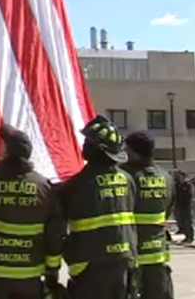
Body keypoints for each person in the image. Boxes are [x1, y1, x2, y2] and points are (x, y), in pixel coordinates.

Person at [0, 124, 64, 299]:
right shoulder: (45, 188)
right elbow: (55, 234)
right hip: (28, 280)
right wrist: (52, 271)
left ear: (7, 152)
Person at [61, 115, 138, 299]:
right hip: (124, 259)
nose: (83, 146)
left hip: (89, 265)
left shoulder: (77, 185)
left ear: (97, 150)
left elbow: (58, 227)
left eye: (88, 142)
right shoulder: (127, 180)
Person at [123, 132, 174, 299]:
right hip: (157, 251)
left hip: (130, 250)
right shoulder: (166, 176)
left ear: (134, 151)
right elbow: (168, 209)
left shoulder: (124, 175)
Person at [173, 171, 195, 244]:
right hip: (178, 205)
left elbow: (189, 195)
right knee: (181, 221)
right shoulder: (177, 185)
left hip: (186, 206)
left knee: (188, 222)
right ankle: (184, 233)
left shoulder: (188, 185)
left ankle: (190, 237)